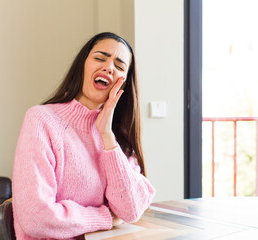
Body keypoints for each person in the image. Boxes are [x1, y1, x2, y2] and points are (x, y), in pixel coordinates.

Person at [12, 32, 156, 240]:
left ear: (123, 83)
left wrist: (107, 136)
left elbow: (131, 211)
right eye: (100, 58)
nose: (109, 67)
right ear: (82, 65)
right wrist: (105, 216)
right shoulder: (41, 120)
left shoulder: (117, 139)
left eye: (119, 65)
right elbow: (35, 218)